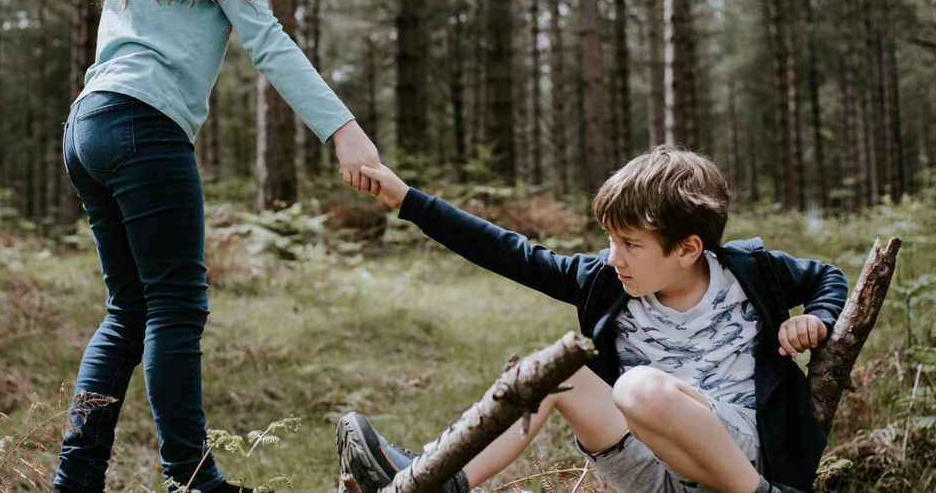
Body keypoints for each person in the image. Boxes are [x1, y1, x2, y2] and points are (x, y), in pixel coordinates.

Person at [51, 0, 380, 491]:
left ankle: (75, 481)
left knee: (127, 312)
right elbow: (267, 40)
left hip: (89, 124)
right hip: (143, 128)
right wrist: (343, 129)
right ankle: (194, 480)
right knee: (176, 308)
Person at [336, 146, 847, 493]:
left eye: (631, 244)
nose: (614, 257)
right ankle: (440, 477)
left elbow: (828, 277)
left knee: (639, 388)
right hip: (648, 468)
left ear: (688, 249)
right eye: (610, 239)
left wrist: (814, 319)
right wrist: (407, 199)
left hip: (736, 463)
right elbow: (507, 252)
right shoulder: (606, 280)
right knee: (553, 372)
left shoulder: (749, 272)